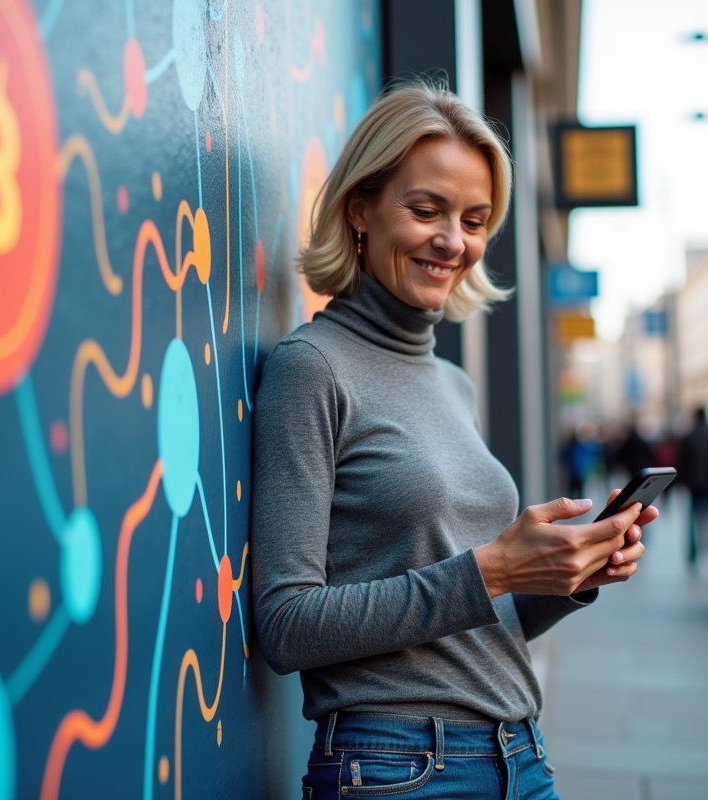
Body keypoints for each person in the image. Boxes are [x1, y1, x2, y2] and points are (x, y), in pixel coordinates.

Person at [251, 84, 657, 800]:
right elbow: (287, 625)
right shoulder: (310, 368)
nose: (454, 241)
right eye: (425, 209)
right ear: (359, 210)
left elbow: (470, 625)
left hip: (520, 753)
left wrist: (565, 579)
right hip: (396, 767)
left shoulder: (452, 381)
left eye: (474, 220)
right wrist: (494, 569)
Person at [677, 407, 708, 570]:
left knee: (692, 521)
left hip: (694, 484)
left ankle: (692, 554)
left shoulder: (689, 437)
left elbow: (681, 464)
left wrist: (681, 483)